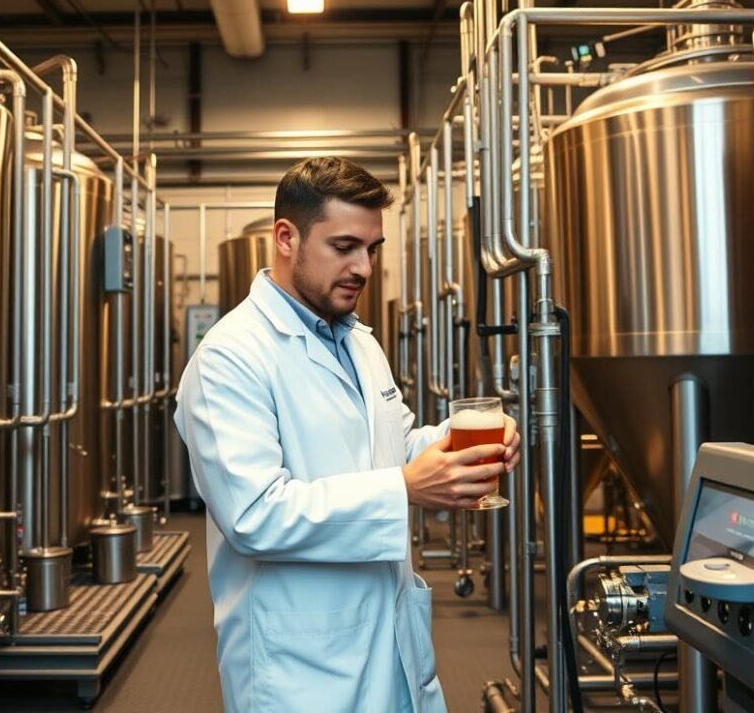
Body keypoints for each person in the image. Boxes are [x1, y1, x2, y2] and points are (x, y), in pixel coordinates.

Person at [174, 157, 520, 713]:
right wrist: (404, 488)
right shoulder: (229, 357)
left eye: (372, 248)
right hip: (302, 668)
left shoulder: (357, 339)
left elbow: (394, 447)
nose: (363, 267)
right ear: (286, 237)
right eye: (343, 247)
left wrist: (461, 441)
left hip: (392, 639)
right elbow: (253, 516)